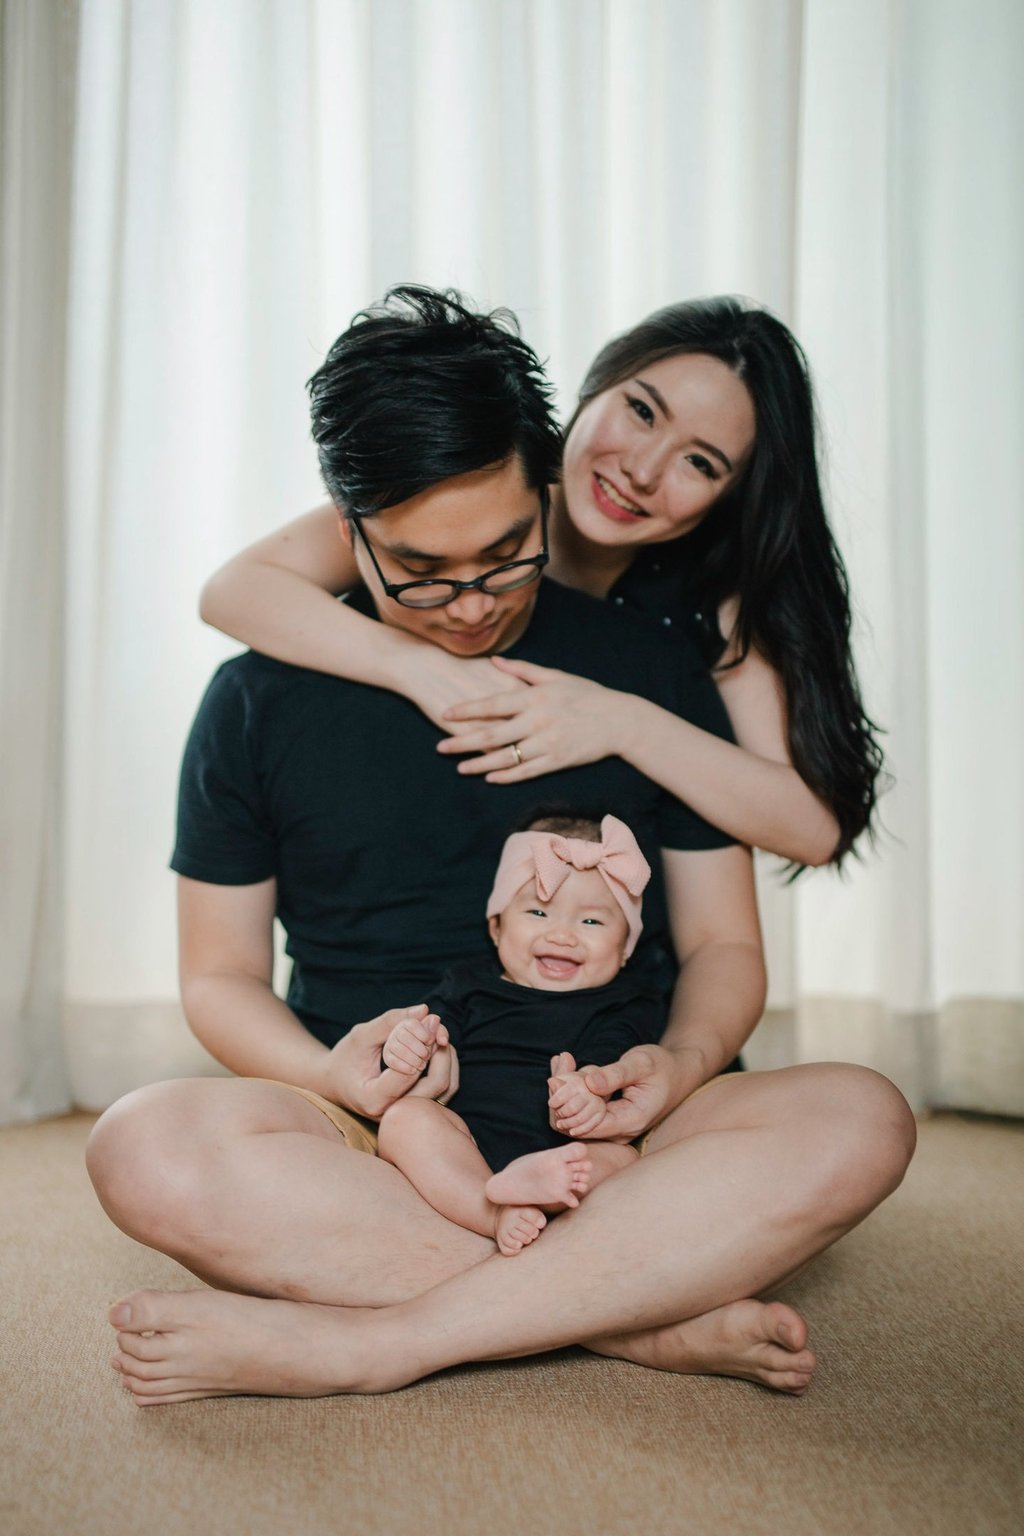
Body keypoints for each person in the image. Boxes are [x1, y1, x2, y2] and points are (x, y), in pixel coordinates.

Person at [88, 286, 915, 1407]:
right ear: (347, 532)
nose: (469, 605)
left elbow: (726, 943)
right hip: (373, 1128)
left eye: (505, 555)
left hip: (623, 1117)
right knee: (142, 1145)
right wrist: (330, 1077)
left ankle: (387, 1339)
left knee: (861, 1116)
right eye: (421, 571)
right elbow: (219, 976)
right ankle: (632, 1318)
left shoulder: (656, 669)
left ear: (541, 488)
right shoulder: (256, 695)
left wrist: (673, 1066)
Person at [198, 293, 884, 873]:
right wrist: (416, 667)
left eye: (700, 462)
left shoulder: (712, 600)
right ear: (595, 385)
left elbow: (813, 828)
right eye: (642, 411)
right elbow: (234, 591)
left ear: (731, 495)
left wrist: (624, 721)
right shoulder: (474, 485)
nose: (643, 470)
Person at [378, 812, 655, 1256]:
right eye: (538, 911)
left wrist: (586, 1089)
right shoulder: (467, 986)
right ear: (496, 926)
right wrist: (408, 1043)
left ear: (625, 949)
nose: (562, 934)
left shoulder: (623, 1002)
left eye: (591, 922)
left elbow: (614, 1062)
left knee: (623, 1158)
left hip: (562, 1149)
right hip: (466, 1139)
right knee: (404, 1119)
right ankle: (491, 1207)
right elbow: (432, 1032)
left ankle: (538, 1189)